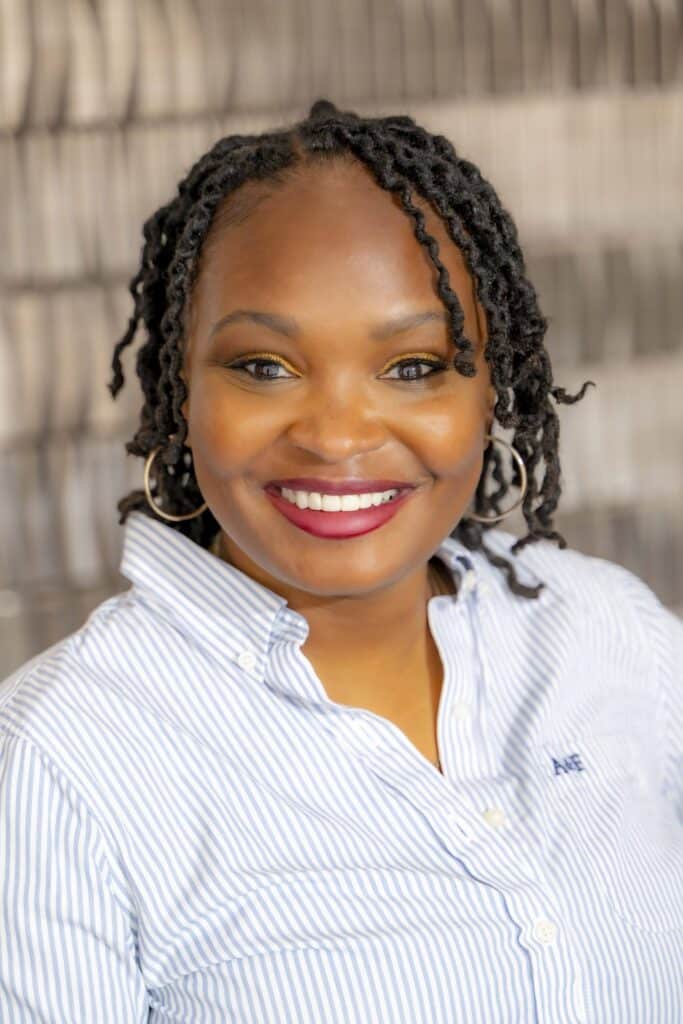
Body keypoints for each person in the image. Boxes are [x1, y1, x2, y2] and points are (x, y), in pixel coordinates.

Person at [1, 98, 681, 1022]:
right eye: (263, 366)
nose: (335, 438)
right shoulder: (59, 761)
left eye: (412, 366)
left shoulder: (611, 635)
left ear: (492, 392)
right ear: (181, 394)